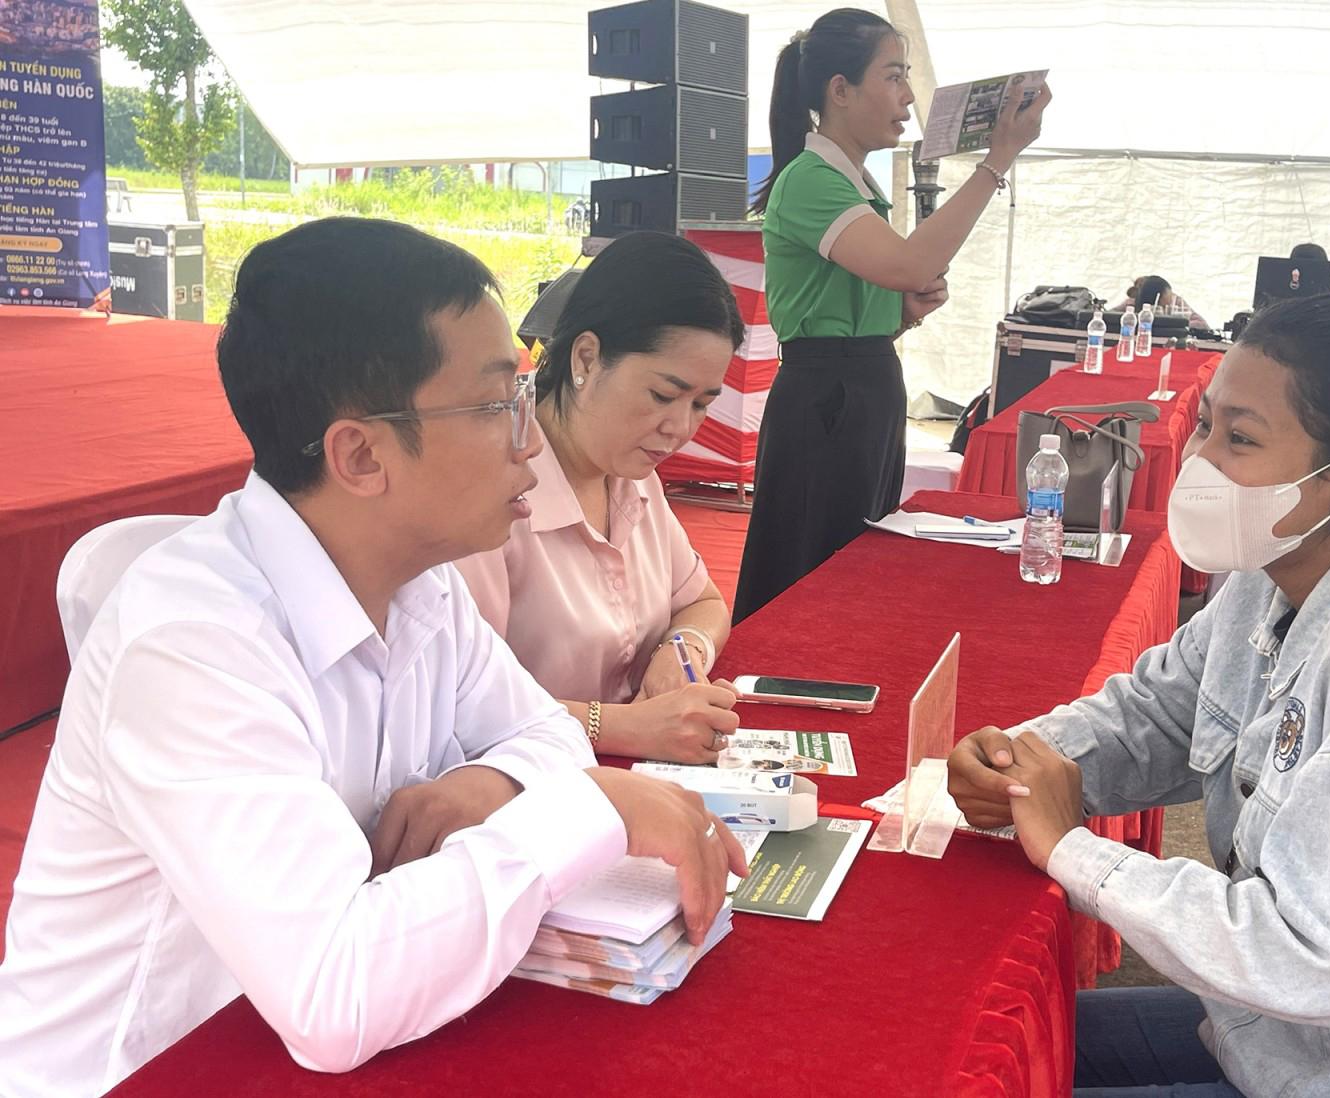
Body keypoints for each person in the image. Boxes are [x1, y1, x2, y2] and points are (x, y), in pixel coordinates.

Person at [0, 218, 746, 1098]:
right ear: (359, 455)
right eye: (495, 405)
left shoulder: (418, 585)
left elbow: (547, 734)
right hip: (141, 1071)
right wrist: (592, 810)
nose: (530, 440)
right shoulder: (193, 643)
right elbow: (336, 993)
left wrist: (497, 785)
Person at [949, 293, 1330, 1095]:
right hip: (1294, 1040)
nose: (1199, 461)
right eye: (1205, 424)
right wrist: (1020, 764)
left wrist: (1074, 849)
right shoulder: (1280, 571)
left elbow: (1327, 961)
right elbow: (1163, 712)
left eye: (1238, 439)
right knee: (976, 1041)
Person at [733, 7, 1050, 622]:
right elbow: (909, 265)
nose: (908, 96)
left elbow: (879, 288)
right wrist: (997, 159)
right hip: (829, 397)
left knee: (845, 563)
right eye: (894, 76)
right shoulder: (810, 180)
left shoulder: (852, 183)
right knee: (811, 570)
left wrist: (898, 316)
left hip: (859, 386)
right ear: (840, 90)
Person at [455, 232, 744, 764]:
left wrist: (680, 651)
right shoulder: (486, 491)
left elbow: (701, 602)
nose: (680, 428)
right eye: (663, 395)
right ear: (586, 357)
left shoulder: (631, 472)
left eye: (702, 404)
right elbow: (457, 702)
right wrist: (621, 727)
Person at [1115, 275, 1209, 330]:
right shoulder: (1131, 304)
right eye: (1168, 293)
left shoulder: (1177, 302)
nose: (1172, 296)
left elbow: (1203, 324)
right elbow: (1110, 318)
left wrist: (1176, 324)